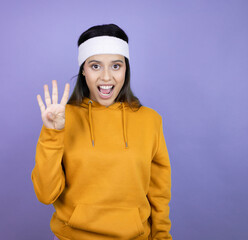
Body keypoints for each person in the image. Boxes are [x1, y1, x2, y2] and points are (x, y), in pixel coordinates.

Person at [32, 23, 172, 240]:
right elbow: (45, 194)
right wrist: (52, 133)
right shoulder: (61, 119)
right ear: (83, 70)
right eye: (95, 66)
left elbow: (159, 194)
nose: (106, 77)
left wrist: (162, 237)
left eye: (116, 66)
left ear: (126, 69)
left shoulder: (150, 120)